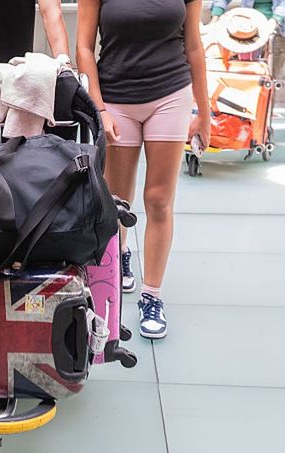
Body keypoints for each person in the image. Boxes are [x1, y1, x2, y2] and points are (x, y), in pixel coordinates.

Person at [77, 0, 211, 339]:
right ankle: (118, 259)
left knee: (159, 200)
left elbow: (193, 45)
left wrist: (204, 113)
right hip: (116, 98)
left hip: (170, 94)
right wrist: (99, 108)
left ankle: (152, 296)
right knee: (116, 202)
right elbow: (83, 47)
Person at [209, 0, 285, 70]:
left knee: (269, 78)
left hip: (276, 29)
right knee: (244, 72)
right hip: (247, 30)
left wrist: (275, 20)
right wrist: (216, 16)